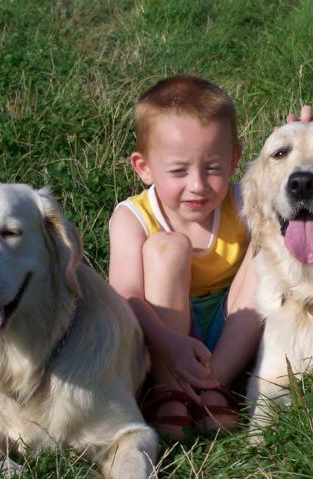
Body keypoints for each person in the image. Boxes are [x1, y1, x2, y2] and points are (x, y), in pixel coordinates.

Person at [108, 75, 263, 441]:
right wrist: (168, 343)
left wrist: (309, 136)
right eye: (178, 171)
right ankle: (170, 390)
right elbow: (126, 296)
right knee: (168, 246)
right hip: (161, 333)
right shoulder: (132, 217)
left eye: (213, 168)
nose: (197, 185)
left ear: (234, 159)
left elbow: (290, 193)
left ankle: (214, 385)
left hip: (230, 330)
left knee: (267, 249)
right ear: (143, 167)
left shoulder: (243, 203)